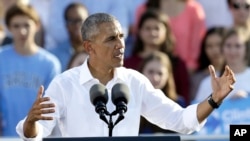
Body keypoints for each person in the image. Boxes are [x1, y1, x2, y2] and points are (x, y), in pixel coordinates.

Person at [16, 13, 235, 140]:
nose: (120, 44)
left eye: (121, 36)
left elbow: (180, 120)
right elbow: (34, 136)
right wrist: (31, 122)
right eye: (111, 38)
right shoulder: (64, 84)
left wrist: (214, 100)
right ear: (89, 47)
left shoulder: (135, 82)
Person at [0, 3, 61, 136]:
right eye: (16, 26)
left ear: (37, 26)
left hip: (36, 137)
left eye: (26, 25)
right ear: (9, 28)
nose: (22, 31)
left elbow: (51, 109)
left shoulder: (50, 63)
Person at [124, 9, 190, 105]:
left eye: (157, 28)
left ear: (166, 31)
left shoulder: (177, 63)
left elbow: (184, 97)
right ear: (140, 31)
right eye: (148, 28)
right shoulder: (127, 64)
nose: (152, 33)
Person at [138, 51, 186, 134]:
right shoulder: (131, 102)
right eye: (150, 72)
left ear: (168, 76)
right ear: (141, 72)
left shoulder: (178, 103)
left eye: (160, 73)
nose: (155, 78)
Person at [49, 2, 88, 72]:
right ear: (66, 26)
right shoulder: (54, 56)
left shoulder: (99, 52)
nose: (76, 25)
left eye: (80, 20)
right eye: (72, 21)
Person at [190, 27, 226, 101]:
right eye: (209, 46)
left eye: (218, 44)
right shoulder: (197, 79)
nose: (215, 50)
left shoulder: (236, 74)